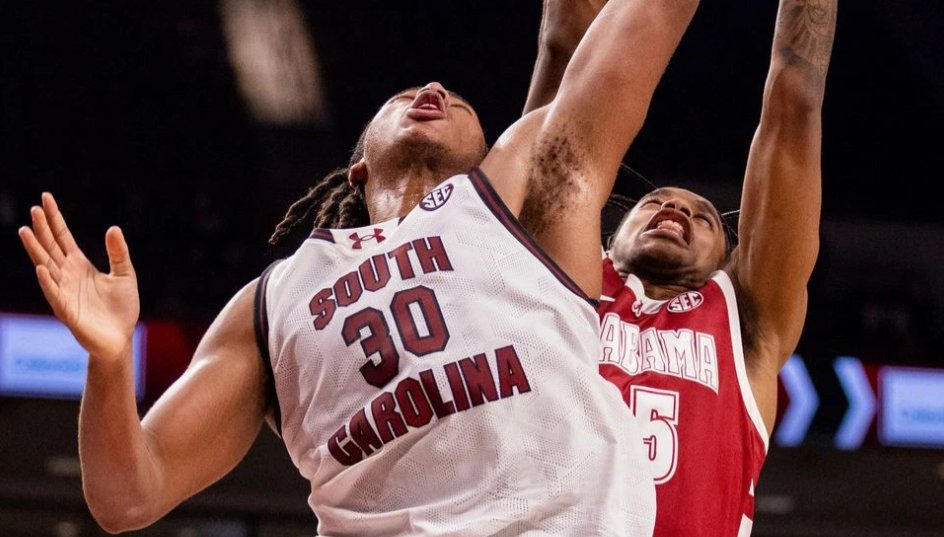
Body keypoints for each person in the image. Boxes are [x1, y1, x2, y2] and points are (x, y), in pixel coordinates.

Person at [17, 1, 702, 535]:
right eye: (405, 94)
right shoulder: (273, 300)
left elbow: (637, 24)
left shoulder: (521, 193)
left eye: (458, 100)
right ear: (358, 166)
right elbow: (127, 493)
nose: (433, 88)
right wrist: (108, 363)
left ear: (488, 147)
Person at [523, 0, 837, 535]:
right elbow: (566, 51)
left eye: (704, 218)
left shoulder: (746, 321)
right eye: (656, 202)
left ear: (725, 261)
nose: (677, 210)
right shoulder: (557, 275)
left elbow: (795, 103)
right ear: (608, 234)